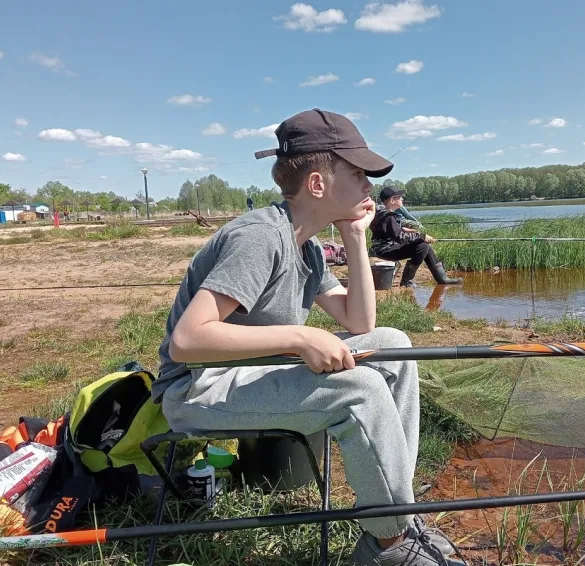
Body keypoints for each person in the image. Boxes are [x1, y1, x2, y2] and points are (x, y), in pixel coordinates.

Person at [154, 109, 466, 565]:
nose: (369, 186)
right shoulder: (260, 237)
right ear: (317, 184)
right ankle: (389, 544)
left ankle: (398, 518)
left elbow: (359, 323)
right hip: (195, 387)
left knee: (394, 344)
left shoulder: (308, 245)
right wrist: (300, 337)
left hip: (254, 373)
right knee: (359, 389)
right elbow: (188, 340)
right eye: (358, 173)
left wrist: (355, 237)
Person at [370, 187, 463, 288]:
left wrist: (407, 230)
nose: (402, 199)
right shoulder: (389, 217)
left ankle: (442, 279)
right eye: (399, 197)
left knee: (424, 245)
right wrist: (421, 236)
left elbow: (390, 231)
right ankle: (406, 281)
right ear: (392, 200)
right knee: (422, 246)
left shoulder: (383, 214)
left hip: (386, 247)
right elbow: (400, 238)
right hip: (385, 250)